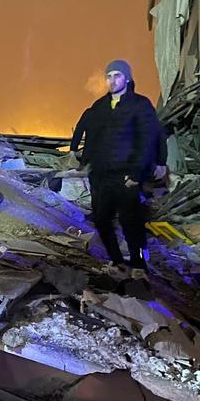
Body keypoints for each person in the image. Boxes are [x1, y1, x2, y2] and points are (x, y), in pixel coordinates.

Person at [70, 60, 160, 271]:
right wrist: (84, 159)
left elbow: (148, 139)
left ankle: (138, 263)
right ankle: (117, 260)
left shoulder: (140, 105)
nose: (112, 80)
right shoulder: (99, 107)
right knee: (102, 219)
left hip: (127, 174)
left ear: (127, 78)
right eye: (109, 76)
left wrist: (138, 173)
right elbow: (88, 133)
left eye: (117, 75)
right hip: (102, 173)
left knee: (131, 222)